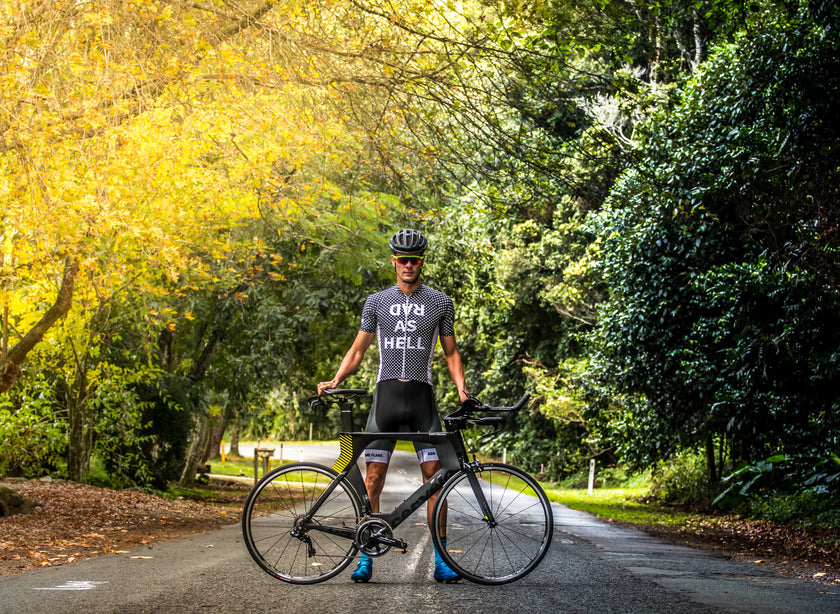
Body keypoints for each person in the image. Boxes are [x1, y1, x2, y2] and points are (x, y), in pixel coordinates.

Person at [317, 228, 469, 584]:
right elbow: (358, 349)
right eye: (403, 260)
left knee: (437, 480)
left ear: (421, 262)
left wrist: (462, 390)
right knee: (372, 480)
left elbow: (451, 352)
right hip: (385, 398)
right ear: (393, 262)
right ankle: (365, 557)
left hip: (422, 399)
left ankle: (442, 559)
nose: (408, 266)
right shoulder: (376, 302)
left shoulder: (440, 302)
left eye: (414, 260)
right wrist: (336, 379)